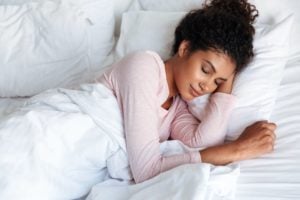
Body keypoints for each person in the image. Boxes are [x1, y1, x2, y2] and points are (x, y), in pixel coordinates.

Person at [96, 0, 276, 183]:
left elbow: (206, 143)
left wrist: (228, 75)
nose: (207, 86)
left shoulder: (177, 107)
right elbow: (146, 170)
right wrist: (239, 149)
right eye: (206, 70)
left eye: (217, 82)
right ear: (185, 48)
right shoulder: (143, 66)